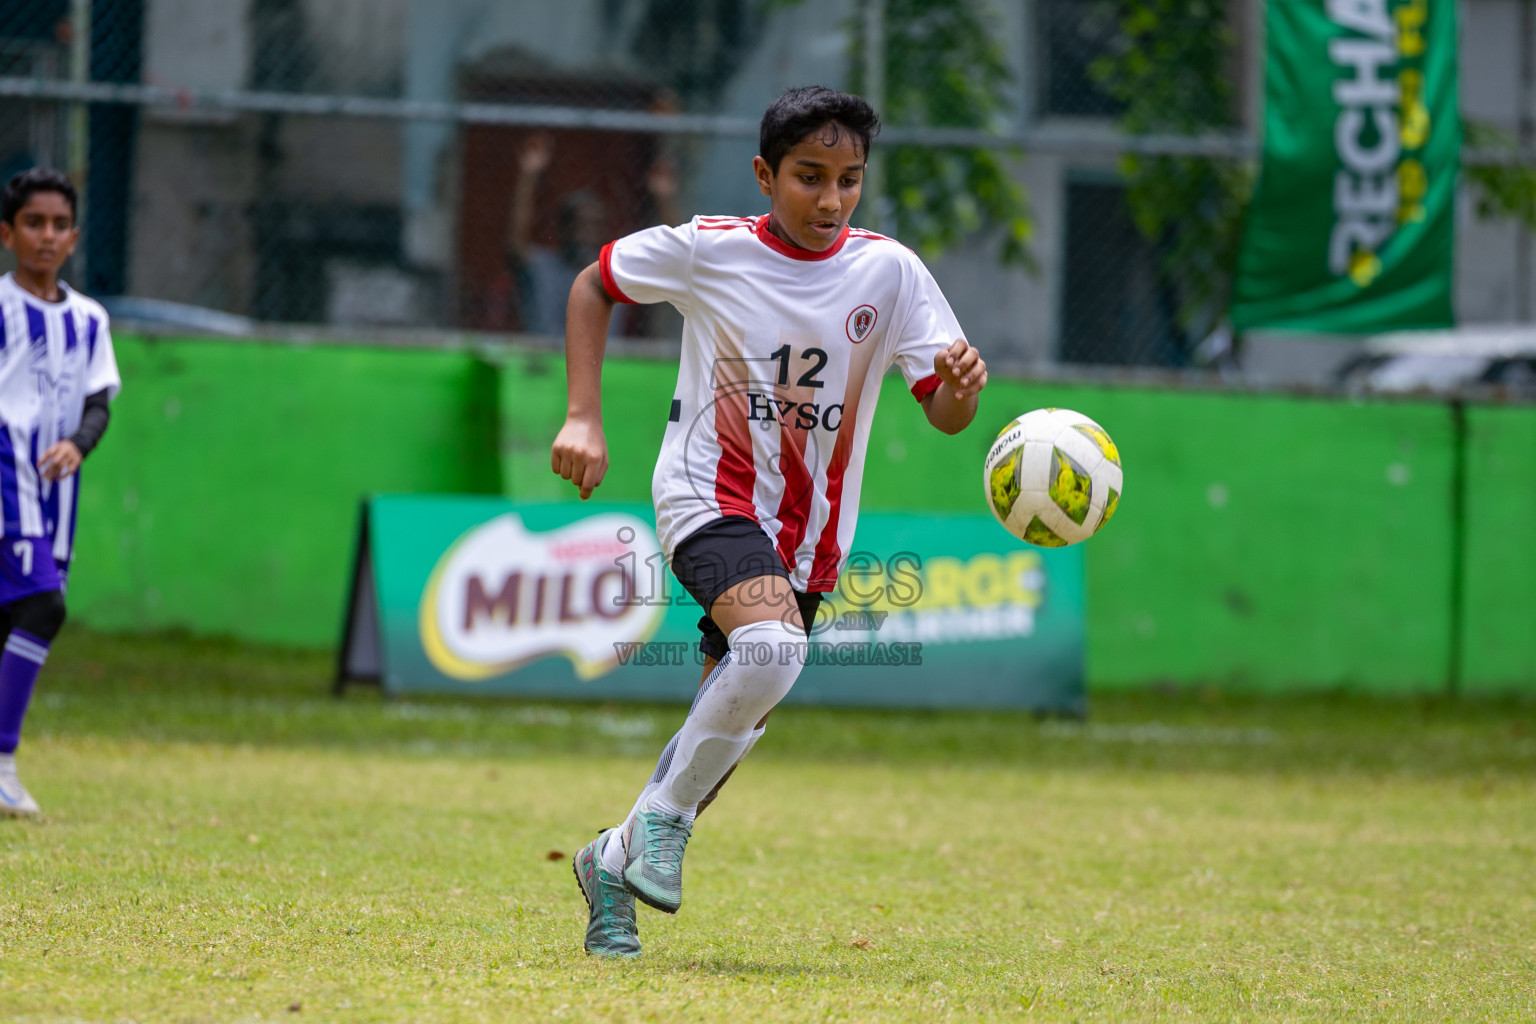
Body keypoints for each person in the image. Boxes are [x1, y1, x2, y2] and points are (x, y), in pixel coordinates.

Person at [551, 86, 988, 958]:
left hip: (814, 537)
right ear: (765, 174)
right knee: (773, 650)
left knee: (726, 726)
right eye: (809, 178)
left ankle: (612, 859)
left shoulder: (891, 273)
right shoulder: (708, 250)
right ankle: (660, 826)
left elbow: (941, 409)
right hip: (706, 496)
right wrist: (582, 415)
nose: (830, 201)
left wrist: (963, 391)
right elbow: (594, 284)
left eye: (849, 180)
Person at [0, 168, 121, 817]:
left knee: (13, 622)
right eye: (32, 224)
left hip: (54, 502)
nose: (46, 236)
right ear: (7, 233)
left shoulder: (89, 320)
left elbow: (101, 402)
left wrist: (78, 442)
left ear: (73, 238)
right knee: (44, 607)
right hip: (4, 483)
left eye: (57, 226)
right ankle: (2, 762)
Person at [505, 134, 681, 337]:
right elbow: (516, 242)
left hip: (604, 365)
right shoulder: (543, 267)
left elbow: (675, 257)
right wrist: (528, 175)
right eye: (579, 223)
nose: (586, 231)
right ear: (563, 228)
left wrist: (664, 198)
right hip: (546, 363)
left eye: (594, 224)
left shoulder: (616, 272)